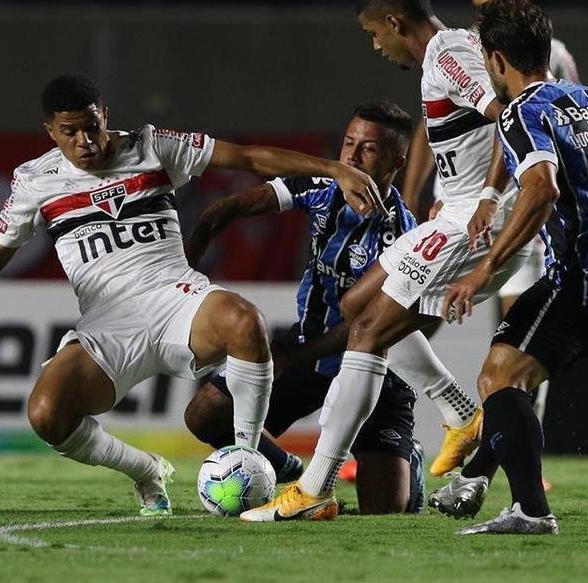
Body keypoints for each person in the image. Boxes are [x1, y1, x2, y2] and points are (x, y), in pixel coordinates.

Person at [0, 74, 384, 516]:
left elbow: (246, 157)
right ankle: (145, 470)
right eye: (70, 132)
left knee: (243, 322)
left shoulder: (152, 144)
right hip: (108, 326)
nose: (86, 141)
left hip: (175, 298)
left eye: (92, 126)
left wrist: (333, 167)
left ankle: (247, 460)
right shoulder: (34, 181)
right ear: (50, 132)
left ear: (104, 115)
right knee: (47, 414)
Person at [241, 0, 531, 522]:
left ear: (395, 22)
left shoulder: (447, 54)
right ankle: (460, 413)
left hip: (480, 220)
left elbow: (510, 117)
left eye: (375, 34)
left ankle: (315, 486)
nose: (376, 46)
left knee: (368, 328)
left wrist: (488, 195)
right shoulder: (454, 52)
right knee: (357, 307)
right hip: (464, 212)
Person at [431, 0, 588, 535]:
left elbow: (541, 189)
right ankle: (478, 477)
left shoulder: (521, 111)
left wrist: (481, 274)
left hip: (583, 279)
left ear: (498, 61)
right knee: (515, 372)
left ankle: (532, 510)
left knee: (496, 377)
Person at [182, 101, 427, 514]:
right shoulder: (322, 186)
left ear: (396, 160)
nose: (350, 156)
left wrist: (297, 354)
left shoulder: (403, 236)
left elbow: (364, 322)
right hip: (309, 354)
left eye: (367, 149)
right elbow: (229, 208)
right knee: (207, 413)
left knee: (384, 512)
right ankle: (289, 471)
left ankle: (409, 461)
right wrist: (185, 272)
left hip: (376, 372)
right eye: (349, 142)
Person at [400, 0, 580, 468]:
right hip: (458, 206)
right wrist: (412, 196)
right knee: (408, 322)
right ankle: (399, 437)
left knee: (523, 339)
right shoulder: (464, 49)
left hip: (518, 206)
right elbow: (428, 128)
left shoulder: (554, 55)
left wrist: (488, 192)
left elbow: (533, 120)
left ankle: (519, 459)